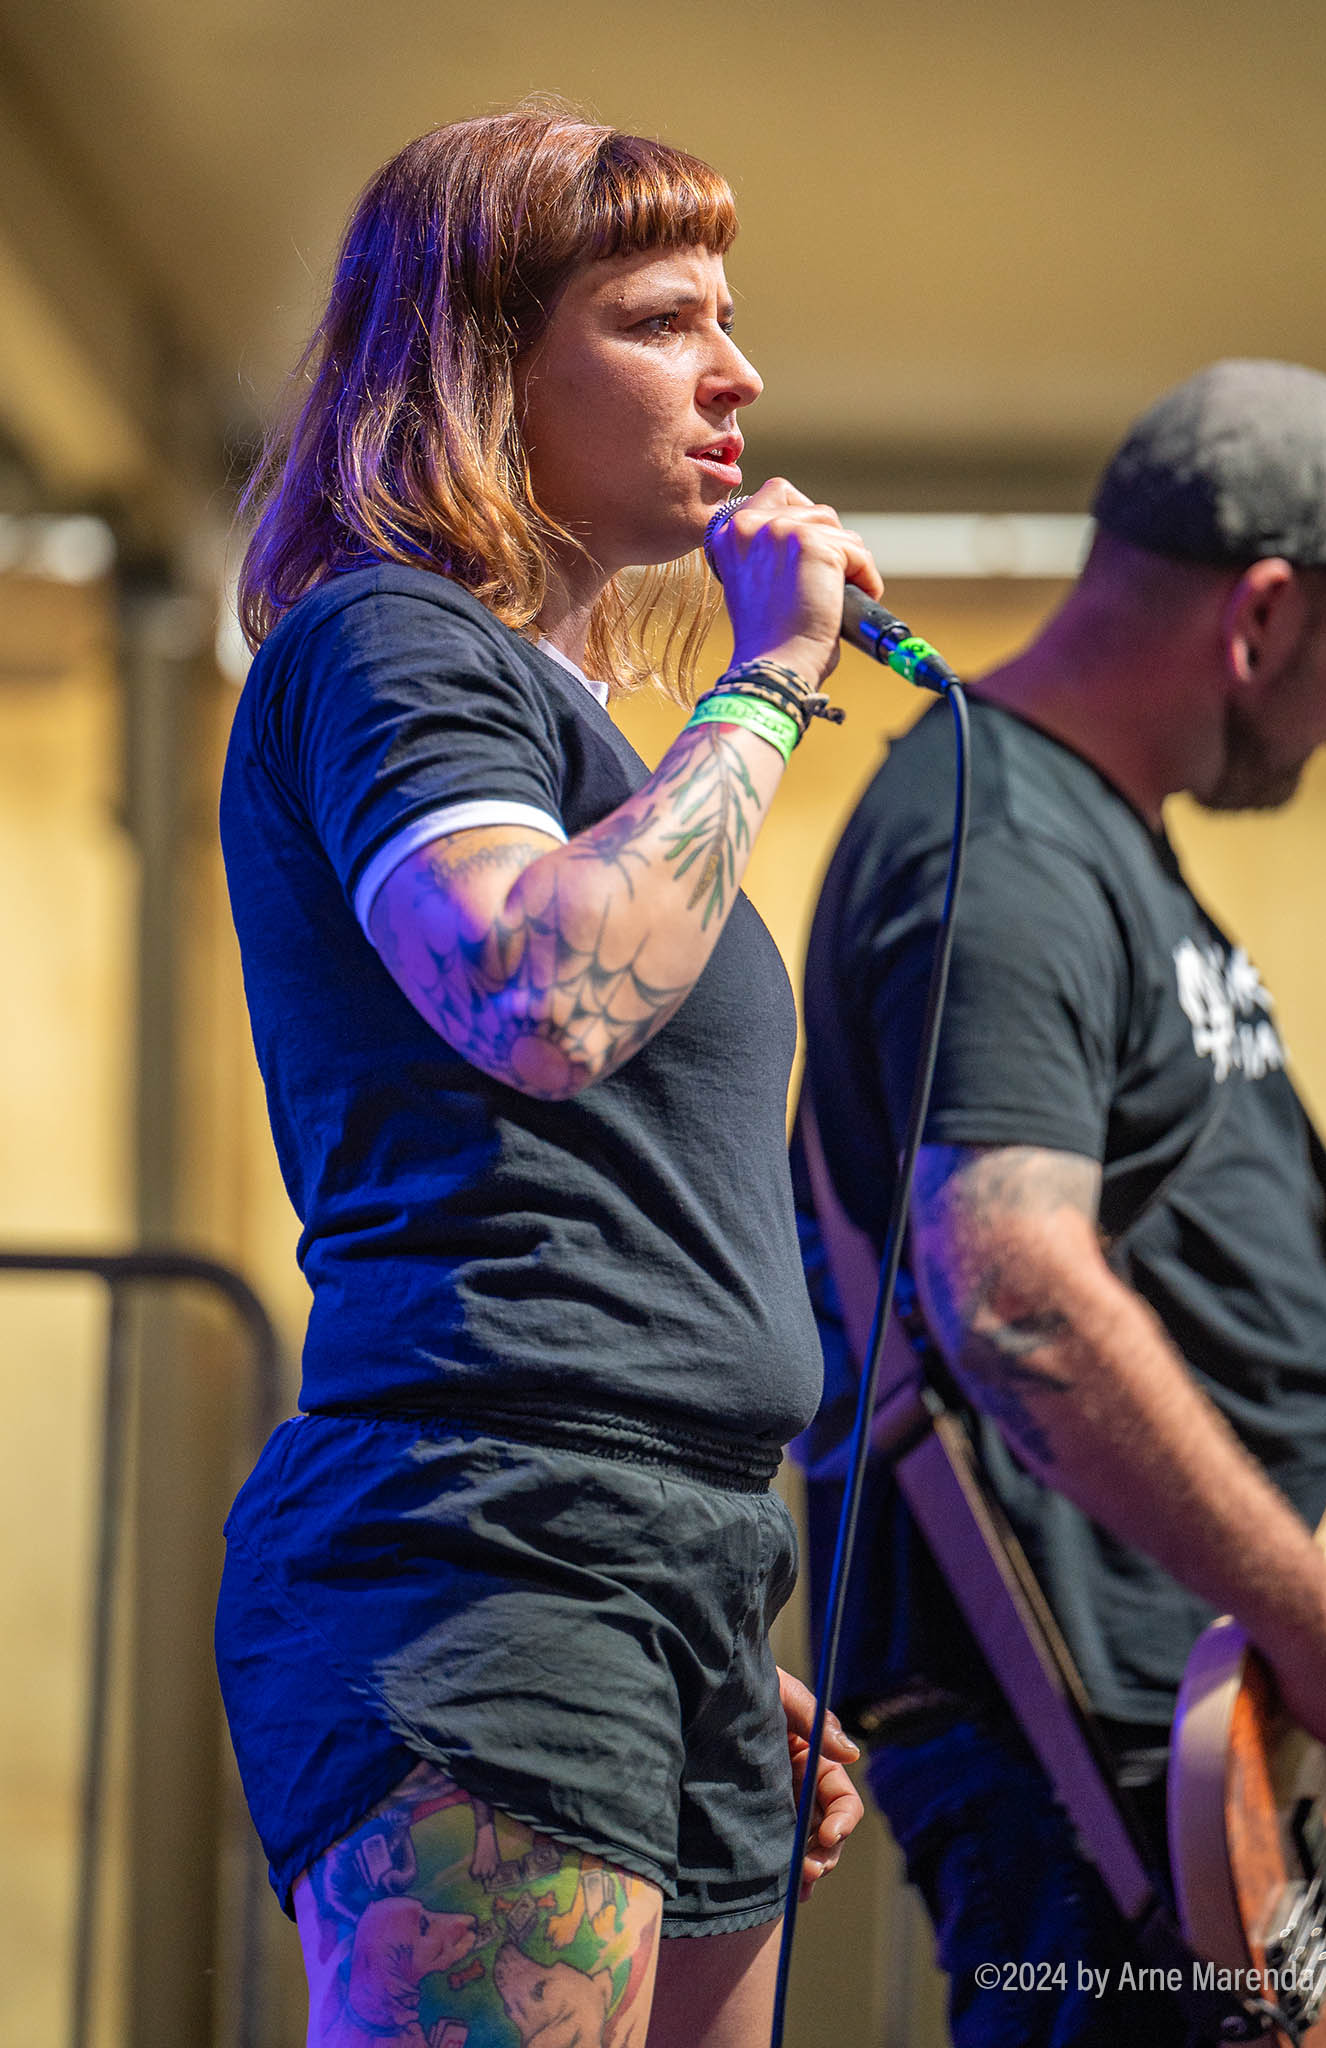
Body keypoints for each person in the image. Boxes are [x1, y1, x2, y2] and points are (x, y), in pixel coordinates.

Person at [215, 106, 867, 2048]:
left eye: (727, 317)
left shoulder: (579, 734)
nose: (737, 373)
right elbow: (541, 994)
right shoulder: (388, 640)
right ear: (482, 364)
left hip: (661, 1560)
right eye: (662, 320)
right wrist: (771, 677)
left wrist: (691, 1598)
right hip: (491, 1548)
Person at [798, 359, 1326, 2047]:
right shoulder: (1002, 844)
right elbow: (1014, 1291)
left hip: (1222, 1727)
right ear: (1263, 617)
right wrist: (1325, 1636)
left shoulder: (1096, 842)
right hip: (1104, 1746)